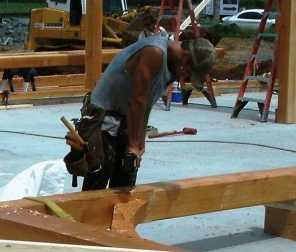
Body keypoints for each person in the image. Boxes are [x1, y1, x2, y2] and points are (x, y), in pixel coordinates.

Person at [65, 35, 216, 191]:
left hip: (126, 118)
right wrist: (132, 145)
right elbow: (137, 101)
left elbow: (146, 103)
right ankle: (89, 215)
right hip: (101, 117)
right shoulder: (154, 53)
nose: (186, 76)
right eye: (189, 71)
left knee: (126, 177)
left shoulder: (173, 66)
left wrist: (139, 142)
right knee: (101, 174)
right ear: (185, 56)